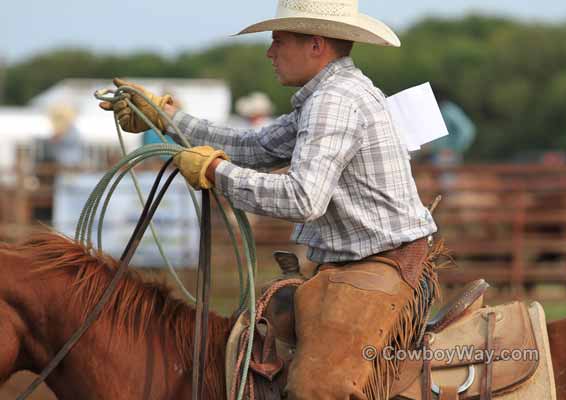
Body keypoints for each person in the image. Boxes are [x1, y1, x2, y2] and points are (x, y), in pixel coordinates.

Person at [99, 1, 440, 398]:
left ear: (315, 45)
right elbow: (255, 146)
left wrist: (215, 173)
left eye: (278, 41)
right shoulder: (330, 94)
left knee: (315, 389)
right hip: (362, 262)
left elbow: (303, 198)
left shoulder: (335, 101)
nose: (269, 52)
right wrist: (167, 119)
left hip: (378, 265)